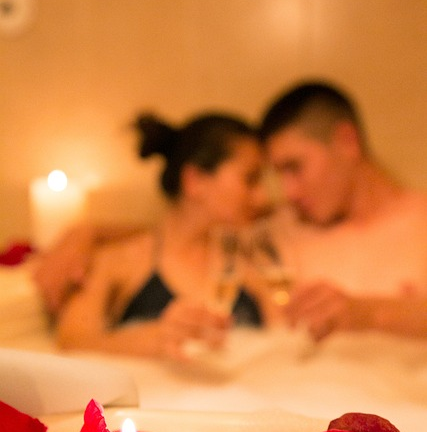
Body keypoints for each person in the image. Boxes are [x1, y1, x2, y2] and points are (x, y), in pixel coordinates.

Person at [51, 111, 272, 362]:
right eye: (250, 179)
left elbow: (283, 342)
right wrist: (149, 338)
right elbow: (72, 344)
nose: (262, 197)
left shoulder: (252, 260)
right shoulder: (120, 259)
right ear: (195, 180)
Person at [259, 79, 427, 342]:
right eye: (280, 175)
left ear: (346, 141)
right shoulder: (284, 232)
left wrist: (371, 315)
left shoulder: (420, 222)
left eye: (295, 167)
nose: (289, 192)